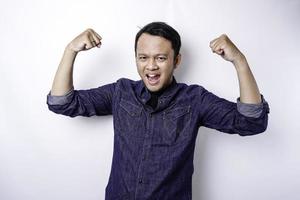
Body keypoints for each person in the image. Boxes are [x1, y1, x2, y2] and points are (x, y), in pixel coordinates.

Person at [47, 22, 269, 200]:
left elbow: (251, 122)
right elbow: (61, 103)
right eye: (143, 57)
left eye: (161, 58)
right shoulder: (121, 92)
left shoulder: (195, 99)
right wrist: (70, 50)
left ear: (176, 60)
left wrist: (239, 61)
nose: (151, 66)